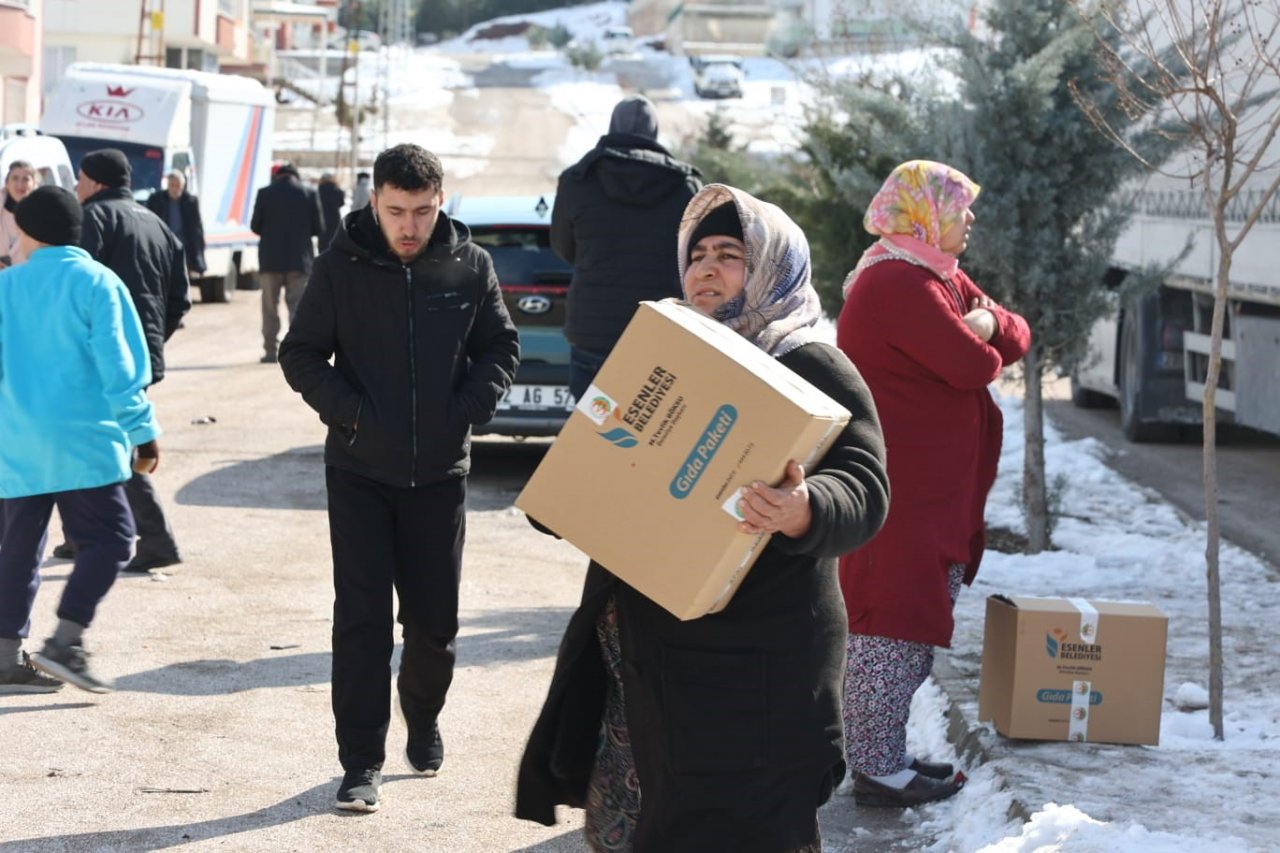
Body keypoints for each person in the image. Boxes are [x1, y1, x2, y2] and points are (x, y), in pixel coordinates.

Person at [516, 184, 891, 852]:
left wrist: (806, 506)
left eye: (729, 253)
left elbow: (865, 485)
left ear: (773, 263)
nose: (707, 270)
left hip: (758, 673)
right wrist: (568, 489)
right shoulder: (673, 356)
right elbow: (610, 457)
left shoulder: (808, 361)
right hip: (653, 660)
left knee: (749, 829)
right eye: (697, 256)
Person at [279, 143, 519, 814]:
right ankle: (360, 761)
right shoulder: (340, 266)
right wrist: (352, 414)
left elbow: (499, 346)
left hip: (439, 474)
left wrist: (466, 411)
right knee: (361, 621)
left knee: (434, 624)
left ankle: (423, 712)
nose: (408, 226)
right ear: (374, 202)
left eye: (421, 211)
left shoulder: (470, 265)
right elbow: (299, 353)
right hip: (357, 471)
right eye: (395, 211)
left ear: (440, 202)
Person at [835, 160, 1031, 807]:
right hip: (902, 499)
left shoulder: (931, 275)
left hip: (929, 499)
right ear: (924, 212)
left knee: (911, 632)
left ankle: (883, 756)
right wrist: (982, 329)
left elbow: (1016, 333)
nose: (969, 218)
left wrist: (985, 322)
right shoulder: (897, 282)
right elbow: (973, 363)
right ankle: (875, 768)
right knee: (890, 629)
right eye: (959, 206)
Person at [0, 186, 161, 695]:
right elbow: (121, 368)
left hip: (18, 446)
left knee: (18, 550)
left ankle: (5, 657)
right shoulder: (98, 282)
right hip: (85, 447)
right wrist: (143, 431)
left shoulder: (7, 287)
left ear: (26, 232)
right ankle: (65, 641)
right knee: (112, 539)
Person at [54, 149, 189, 574]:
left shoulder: (93, 219)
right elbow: (179, 300)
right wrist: (149, 344)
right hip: (138, 354)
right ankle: (81, 537)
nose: (76, 187)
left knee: (110, 445)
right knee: (91, 443)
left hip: (98, 353)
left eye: (79, 179)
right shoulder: (158, 224)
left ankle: (155, 537)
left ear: (94, 181)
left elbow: (77, 285)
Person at [551, 95, 703, 400]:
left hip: (593, 329)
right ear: (655, 133)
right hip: (659, 330)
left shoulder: (578, 180)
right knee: (654, 434)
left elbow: (562, 246)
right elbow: (695, 259)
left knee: (593, 431)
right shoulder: (684, 185)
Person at [251, 161, 323, 364]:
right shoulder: (308, 194)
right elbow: (319, 227)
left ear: (278, 176)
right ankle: (297, 352)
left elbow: (255, 226)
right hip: (299, 262)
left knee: (269, 307)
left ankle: (270, 351)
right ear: (296, 176)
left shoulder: (264, 193)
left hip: (270, 261)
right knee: (298, 307)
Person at [145, 169, 207, 279]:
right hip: (163, 247)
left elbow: (196, 230)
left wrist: (198, 258)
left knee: (182, 280)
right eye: (171, 185)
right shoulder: (156, 200)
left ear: (182, 186)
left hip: (183, 249)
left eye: (177, 185)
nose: (174, 188)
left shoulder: (190, 202)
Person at [0, 159, 39, 268]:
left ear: (34, 184)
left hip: (26, 276)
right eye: (15, 178)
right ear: (7, 183)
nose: (20, 184)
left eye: (26, 179)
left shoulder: (42, 213)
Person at [317, 172, 345, 250]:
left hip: (322, 218)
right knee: (334, 240)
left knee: (323, 242)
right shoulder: (338, 190)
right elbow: (341, 203)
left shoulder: (318, 190)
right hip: (335, 218)